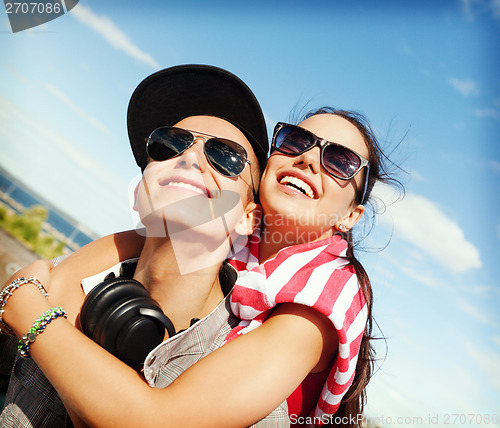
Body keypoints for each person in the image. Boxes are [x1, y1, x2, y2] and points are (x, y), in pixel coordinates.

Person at [1, 68, 396, 427]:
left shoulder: (325, 299)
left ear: (350, 217)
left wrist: (32, 312)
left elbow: (157, 421)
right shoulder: (227, 234)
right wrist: (46, 286)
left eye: (341, 161)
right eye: (296, 140)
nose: (309, 158)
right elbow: (140, 244)